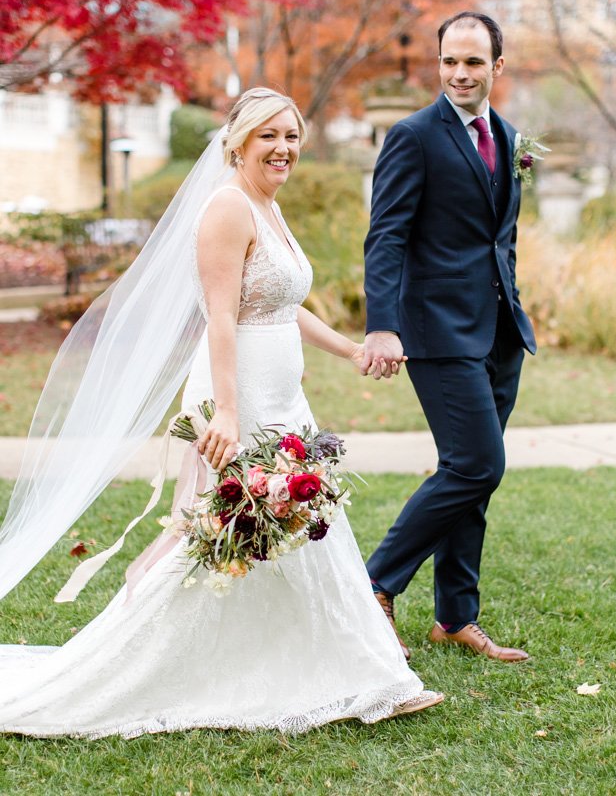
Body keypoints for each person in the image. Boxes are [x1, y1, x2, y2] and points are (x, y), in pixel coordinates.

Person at [0, 88, 442, 737]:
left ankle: (362, 672)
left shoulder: (266, 205)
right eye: (269, 136)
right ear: (236, 140)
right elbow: (221, 316)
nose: (284, 148)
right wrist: (229, 413)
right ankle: (357, 676)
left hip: (281, 395)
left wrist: (349, 349)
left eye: (291, 136)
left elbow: (283, 302)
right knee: (223, 530)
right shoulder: (227, 208)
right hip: (238, 396)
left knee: (296, 521)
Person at [362, 12, 537, 662]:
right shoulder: (412, 136)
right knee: (476, 464)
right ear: (437, 65)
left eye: (472, 62)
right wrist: (382, 323)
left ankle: (454, 616)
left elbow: (501, 237)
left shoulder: (509, 136)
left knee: (472, 477)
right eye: (448, 62)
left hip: (497, 334)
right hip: (436, 331)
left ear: (496, 67)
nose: (459, 74)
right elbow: (386, 236)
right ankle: (374, 584)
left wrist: (512, 310)